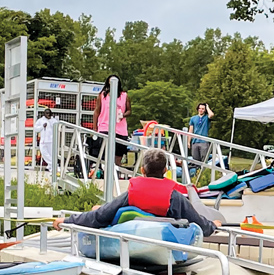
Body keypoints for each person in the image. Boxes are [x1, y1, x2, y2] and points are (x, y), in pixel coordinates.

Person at [53, 148, 221, 237]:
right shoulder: (174, 196)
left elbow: (99, 217)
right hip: (163, 240)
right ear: (165, 170)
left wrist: (67, 220)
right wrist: (213, 225)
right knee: (98, 208)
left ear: (142, 170)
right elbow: (198, 222)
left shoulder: (132, 193)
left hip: (133, 239)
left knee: (98, 209)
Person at [92, 74, 131, 166]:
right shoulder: (102, 95)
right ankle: (104, 173)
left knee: (119, 154)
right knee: (105, 152)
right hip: (105, 127)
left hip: (120, 129)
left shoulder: (124, 95)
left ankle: (116, 175)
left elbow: (129, 111)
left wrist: (123, 115)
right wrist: (94, 128)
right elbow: (97, 111)